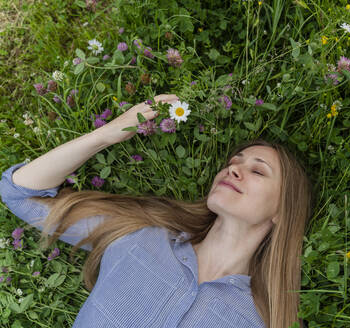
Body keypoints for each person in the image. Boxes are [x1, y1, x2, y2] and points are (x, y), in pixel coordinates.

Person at [0, 94, 313, 328]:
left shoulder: (262, 318)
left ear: (283, 212)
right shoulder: (138, 237)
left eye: (258, 172)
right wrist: (107, 134)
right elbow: (19, 193)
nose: (232, 170)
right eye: (233, 163)